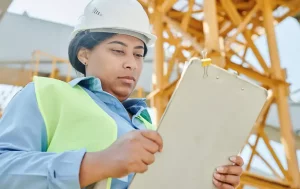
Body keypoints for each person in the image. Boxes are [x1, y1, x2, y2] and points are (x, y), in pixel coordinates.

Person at [0, 0, 244, 188]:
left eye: (138, 54)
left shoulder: (146, 127)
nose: (132, 64)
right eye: (118, 51)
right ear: (84, 54)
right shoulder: (48, 94)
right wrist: (94, 164)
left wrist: (207, 181)